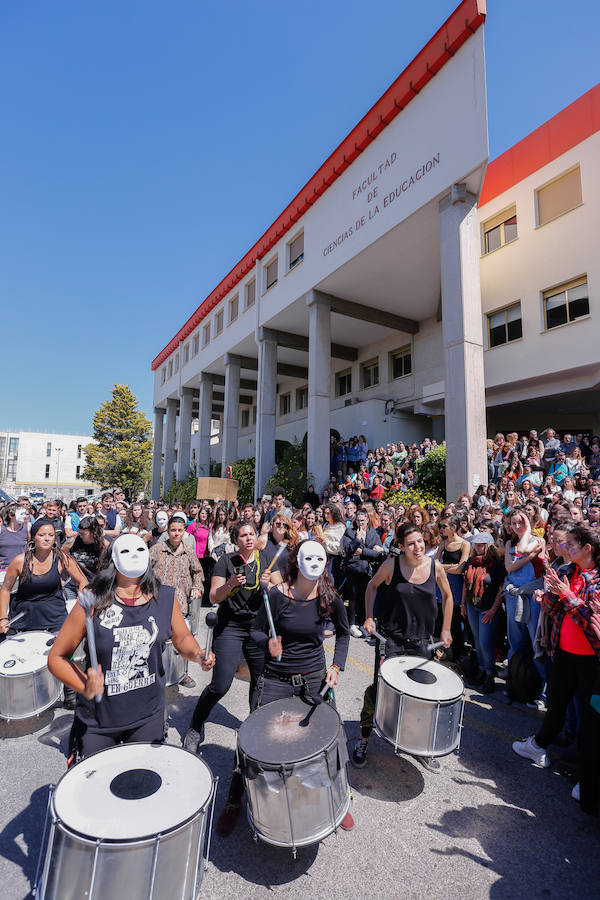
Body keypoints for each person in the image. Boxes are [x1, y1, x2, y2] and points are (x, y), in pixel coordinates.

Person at [48, 534, 215, 760]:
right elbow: (57, 657)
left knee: (141, 786)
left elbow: (182, 637)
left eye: (139, 549)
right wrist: (84, 685)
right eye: (126, 551)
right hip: (99, 721)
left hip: (148, 717)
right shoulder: (92, 600)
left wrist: (197, 653)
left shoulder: (165, 597)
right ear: (113, 559)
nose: (134, 555)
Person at [513, 524, 600, 816]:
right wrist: (549, 593)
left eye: (572, 544)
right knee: (556, 706)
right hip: (563, 653)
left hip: (591, 661)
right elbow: (554, 609)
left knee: (591, 723)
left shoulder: (596, 579)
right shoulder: (567, 572)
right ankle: (538, 747)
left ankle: (587, 781)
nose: (566, 548)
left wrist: (565, 596)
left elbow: (592, 621)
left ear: (587, 549)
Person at [352, 523, 453, 772]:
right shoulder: (391, 565)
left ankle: (421, 746)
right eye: (411, 543)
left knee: (422, 697)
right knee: (379, 691)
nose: (417, 547)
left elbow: (448, 597)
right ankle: (364, 738)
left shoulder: (434, 566)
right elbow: (371, 586)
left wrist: (446, 629)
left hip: (422, 642)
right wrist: (368, 616)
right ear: (401, 546)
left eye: (420, 541)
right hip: (391, 641)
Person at [183, 520, 282, 754]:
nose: (248, 538)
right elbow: (214, 597)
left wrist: (270, 586)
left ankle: (254, 729)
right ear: (236, 540)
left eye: (252, 534)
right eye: (243, 535)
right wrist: (229, 584)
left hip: (258, 628)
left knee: (259, 681)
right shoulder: (226, 561)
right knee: (220, 684)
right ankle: (195, 727)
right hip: (230, 626)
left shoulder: (266, 560)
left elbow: (282, 591)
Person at [0, 519, 87, 635]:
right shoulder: (20, 561)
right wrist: (3, 618)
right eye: (42, 535)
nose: (47, 539)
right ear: (33, 537)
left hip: (55, 617)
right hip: (23, 617)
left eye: (51, 535)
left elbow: (83, 580)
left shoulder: (62, 559)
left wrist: (80, 602)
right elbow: (5, 589)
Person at [149, 515, 205, 688]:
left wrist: (197, 588)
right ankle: (155, 672)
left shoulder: (189, 551)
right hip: (157, 602)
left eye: (180, 530)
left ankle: (182, 673)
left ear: (184, 532)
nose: (176, 534)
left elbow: (198, 573)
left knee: (182, 637)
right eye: (173, 530)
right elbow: (145, 571)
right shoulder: (157, 549)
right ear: (168, 530)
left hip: (181, 603)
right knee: (157, 639)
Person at [461, 532, 505, 693]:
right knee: (477, 641)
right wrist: (462, 604)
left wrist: (493, 610)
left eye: (481, 544)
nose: (477, 547)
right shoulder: (471, 562)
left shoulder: (496, 564)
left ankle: (489, 673)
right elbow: (466, 583)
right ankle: (481, 669)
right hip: (472, 606)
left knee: (486, 643)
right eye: (476, 544)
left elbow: (501, 589)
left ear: (488, 546)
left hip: (487, 609)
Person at [342, 508, 383, 636]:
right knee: (353, 596)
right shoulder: (350, 532)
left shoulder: (373, 533)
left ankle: (362, 621)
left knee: (364, 596)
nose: (360, 523)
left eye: (363, 521)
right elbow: (349, 550)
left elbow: (377, 553)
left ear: (367, 520)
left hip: (367, 570)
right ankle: (352, 623)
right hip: (353, 568)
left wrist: (362, 552)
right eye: (358, 521)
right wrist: (357, 539)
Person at [0, 503, 30, 577]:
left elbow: (30, 546)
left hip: (21, 569)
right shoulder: (1, 530)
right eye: (21, 514)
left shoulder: (28, 528)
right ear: (11, 515)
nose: (24, 516)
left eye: (25, 514)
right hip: (3, 570)